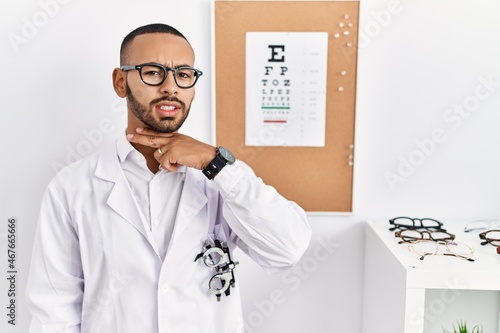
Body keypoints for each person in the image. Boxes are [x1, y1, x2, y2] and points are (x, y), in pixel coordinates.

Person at [26, 23, 311, 333]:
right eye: (153, 72)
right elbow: (53, 314)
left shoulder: (218, 180)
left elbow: (288, 249)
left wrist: (214, 162)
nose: (171, 87)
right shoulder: (72, 188)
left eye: (184, 75)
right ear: (121, 82)